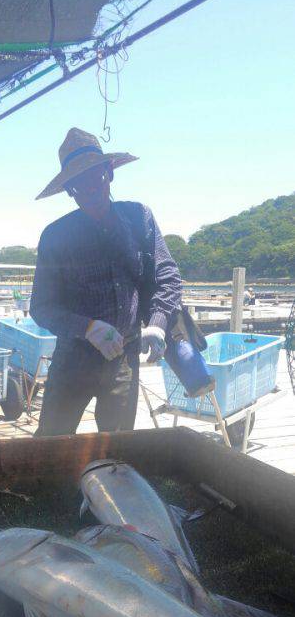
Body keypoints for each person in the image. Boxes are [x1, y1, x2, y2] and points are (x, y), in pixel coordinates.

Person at [30, 127, 182, 436]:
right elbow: (42, 308)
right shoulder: (55, 236)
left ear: (109, 173)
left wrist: (157, 323)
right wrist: (88, 328)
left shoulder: (139, 218)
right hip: (73, 358)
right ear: (69, 190)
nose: (90, 189)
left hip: (125, 356)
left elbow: (168, 277)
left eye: (96, 177)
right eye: (78, 184)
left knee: (118, 446)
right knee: (49, 443)